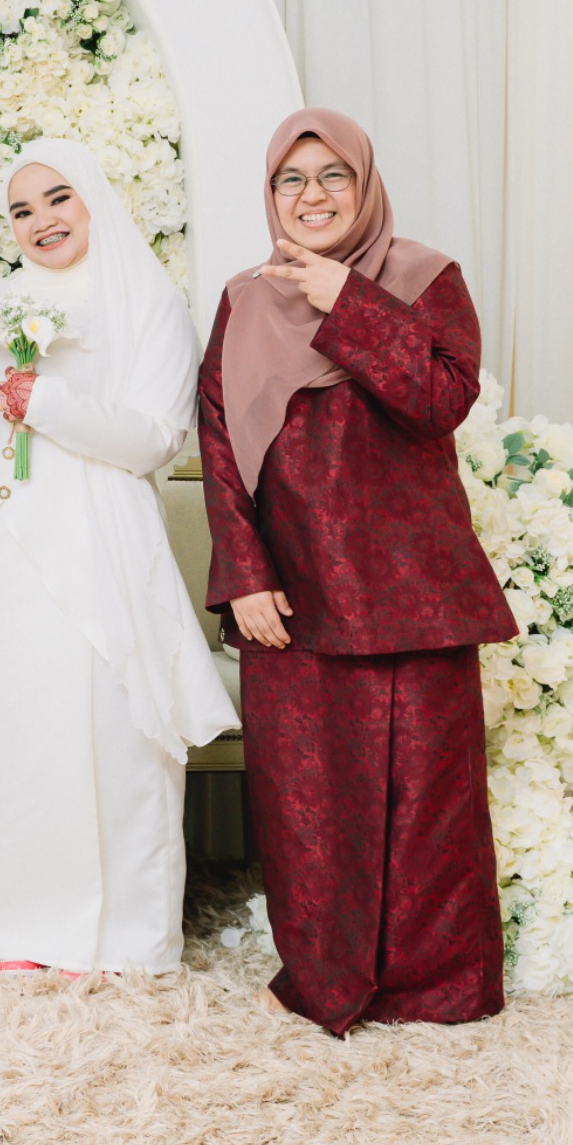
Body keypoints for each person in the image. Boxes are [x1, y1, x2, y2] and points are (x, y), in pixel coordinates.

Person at [198, 107, 515, 1037]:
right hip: (292, 593)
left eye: (333, 176)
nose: (312, 196)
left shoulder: (425, 278)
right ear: (270, 195)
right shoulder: (244, 301)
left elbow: (440, 399)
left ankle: (438, 987)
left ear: (365, 185)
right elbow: (218, 441)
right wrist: (243, 574)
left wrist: (348, 297)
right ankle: (322, 976)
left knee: (430, 803)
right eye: (290, 180)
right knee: (307, 803)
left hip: (416, 587)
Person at [0, 141, 237, 976]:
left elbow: (155, 440)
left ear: (95, 198)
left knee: (111, 736)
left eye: (58, 198)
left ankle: (122, 937)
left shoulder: (149, 300)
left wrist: (51, 402)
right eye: (21, 210)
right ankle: (11, 930)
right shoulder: (0, 304)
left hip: (99, 543)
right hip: (4, 547)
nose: (41, 220)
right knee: (14, 742)